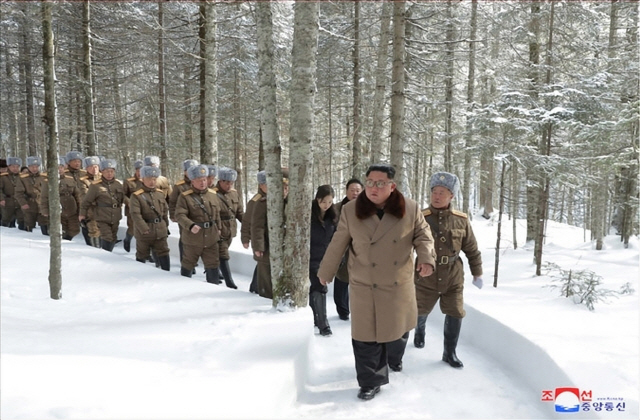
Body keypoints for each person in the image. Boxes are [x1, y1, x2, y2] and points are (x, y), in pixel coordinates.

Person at [318, 163, 436, 401]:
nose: (373, 187)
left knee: (397, 330)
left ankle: (394, 358)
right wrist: (326, 271)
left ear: (391, 187)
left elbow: (424, 236)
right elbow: (338, 242)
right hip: (364, 283)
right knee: (365, 336)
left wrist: (426, 259)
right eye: (370, 182)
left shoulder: (409, 209)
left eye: (380, 183)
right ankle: (370, 382)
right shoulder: (351, 210)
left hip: (397, 283)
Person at [413, 171, 483, 368]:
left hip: (453, 275)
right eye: (434, 191)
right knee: (418, 310)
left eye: (442, 192)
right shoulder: (420, 218)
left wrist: (477, 272)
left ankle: (449, 352)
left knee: (455, 312)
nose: (436, 196)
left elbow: (471, 248)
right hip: (425, 275)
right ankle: (419, 330)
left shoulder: (461, 220)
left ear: (451, 195)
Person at [175, 164, 222, 283]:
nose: (203, 183)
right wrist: (190, 225)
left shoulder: (213, 195)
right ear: (192, 181)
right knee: (188, 264)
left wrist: (219, 228)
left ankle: (213, 288)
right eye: (199, 180)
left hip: (211, 237)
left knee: (213, 264)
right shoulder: (185, 197)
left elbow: (217, 214)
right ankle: (184, 287)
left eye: (205, 179)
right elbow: (180, 215)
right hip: (193, 239)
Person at [250, 171, 289, 299]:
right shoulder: (263, 203)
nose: (284, 191)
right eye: (282, 188)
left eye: (286, 188)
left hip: (285, 248)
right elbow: (257, 227)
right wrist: (258, 247)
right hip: (267, 247)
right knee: (266, 278)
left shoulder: (291, 204)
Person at [309, 185, 338, 336]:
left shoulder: (332, 216)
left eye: (330, 201)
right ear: (317, 199)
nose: (327, 205)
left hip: (324, 258)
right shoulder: (309, 214)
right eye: (324, 201)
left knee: (318, 288)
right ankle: (322, 324)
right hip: (310, 257)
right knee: (318, 288)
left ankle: (318, 320)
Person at [129, 166, 171, 271]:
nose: (152, 182)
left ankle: (166, 274)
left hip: (160, 229)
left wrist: (165, 225)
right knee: (142, 253)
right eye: (149, 179)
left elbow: (164, 211)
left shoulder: (160, 194)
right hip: (145, 231)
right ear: (143, 179)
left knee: (163, 252)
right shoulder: (137, 195)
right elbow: (135, 214)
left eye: (154, 179)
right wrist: (144, 228)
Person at [333, 178, 364, 321]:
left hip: (362, 251)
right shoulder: (337, 208)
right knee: (342, 280)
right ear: (346, 191)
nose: (355, 193)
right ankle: (343, 310)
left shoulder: (368, 208)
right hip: (343, 250)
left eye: (358, 190)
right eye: (352, 190)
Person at [79, 159, 124, 251]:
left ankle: (108, 254)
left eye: (111, 171)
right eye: (107, 171)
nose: (109, 174)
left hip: (115, 215)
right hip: (102, 216)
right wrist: (82, 214)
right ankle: (104, 255)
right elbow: (86, 201)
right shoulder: (95, 186)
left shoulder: (118, 184)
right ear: (102, 172)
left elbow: (123, 199)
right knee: (107, 237)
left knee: (113, 237)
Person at [213, 167, 244, 289]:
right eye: (227, 182)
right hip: (218, 229)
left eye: (231, 183)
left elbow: (239, 212)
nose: (229, 185)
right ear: (220, 181)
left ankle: (213, 271)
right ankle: (229, 281)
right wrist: (217, 228)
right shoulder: (212, 194)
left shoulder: (234, 193)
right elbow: (212, 214)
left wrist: (247, 224)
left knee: (219, 254)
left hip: (230, 229)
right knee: (223, 254)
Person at [40, 157, 83, 240]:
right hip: (57, 210)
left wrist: (80, 209)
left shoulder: (70, 180)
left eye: (61, 167)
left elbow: (77, 195)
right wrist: (45, 210)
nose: (59, 169)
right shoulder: (47, 181)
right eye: (57, 168)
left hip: (71, 210)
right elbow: (44, 197)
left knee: (74, 230)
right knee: (60, 230)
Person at [169, 159, 199, 267]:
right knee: (185, 238)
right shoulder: (179, 186)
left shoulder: (200, 183)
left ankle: (193, 260)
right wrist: (172, 214)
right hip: (184, 216)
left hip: (197, 216)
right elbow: (172, 201)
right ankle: (185, 260)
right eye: (188, 170)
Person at [241, 171, 266, 294]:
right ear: (261, 185)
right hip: (260, 239)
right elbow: (247, 221)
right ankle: (255, 288)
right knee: (262, 265)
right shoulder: (256, 201)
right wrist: (245, 238)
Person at [15, 156, 48, 234]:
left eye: (36, 166)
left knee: (45, 223)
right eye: (32, 167)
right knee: (28, 224)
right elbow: (18, 193)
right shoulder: (23, 178)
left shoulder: (43, 177)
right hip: (29, 203)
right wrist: (23, 203)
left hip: (42, 203)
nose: (34, 169)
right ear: (28, 167)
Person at [80, 156, 102, 247]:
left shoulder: (104, 178)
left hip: (106, 211)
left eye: (96, 166)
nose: (94, 169)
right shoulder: (83, 181)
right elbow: (85, 197)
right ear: (86, 168)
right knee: (94, 232)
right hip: (91, 211)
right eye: (91, 167)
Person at [122, 160, 144, 252]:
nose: (139, 173)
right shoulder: (129, 182)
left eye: (141, 170)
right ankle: (127, 239)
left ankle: (146, 252)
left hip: (145, 210)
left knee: (144, 230)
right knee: (133, 229)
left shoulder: (148, 181)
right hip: (131, 210)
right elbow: (122, 195)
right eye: (138, 170)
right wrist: (129, 202)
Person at [0, 157, 25, 229]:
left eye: (17, 167)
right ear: (9, 167)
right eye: (13, 166)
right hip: (8, 201)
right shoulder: (3, 177)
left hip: (20, 201)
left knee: (22, 219)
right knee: (6, 219)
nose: (15, 168)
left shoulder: (22, 177)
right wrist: (1, 199)